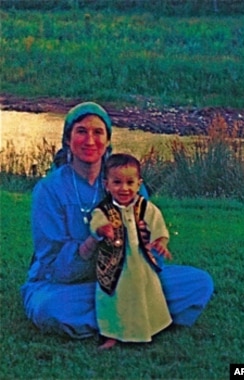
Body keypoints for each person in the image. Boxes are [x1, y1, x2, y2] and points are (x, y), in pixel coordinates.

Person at [21, 101, 214, 340]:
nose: (90, 140)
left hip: (126, 281)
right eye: (81, 131)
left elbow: (151, 249)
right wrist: (90, 246)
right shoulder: (49, 190)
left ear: (108, 140)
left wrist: (149, 248)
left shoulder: (125, 182)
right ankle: (136, 317)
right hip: (67, 287)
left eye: (98, 132)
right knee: (50, 308)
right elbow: (53, 266)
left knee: (199, 283)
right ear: (68, 139)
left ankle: (115, 317)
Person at [90, 153, 173, 350]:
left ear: (138, 184)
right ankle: (111, 334)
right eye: (117, 182)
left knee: (145, 295)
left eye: (130, 182)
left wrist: (160, 242)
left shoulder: (146, 207)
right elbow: (96, 223)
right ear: (106, 184)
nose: (124, 188)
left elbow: (158, 227)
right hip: (113, 268)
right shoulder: (104, 209)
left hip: (141, 264)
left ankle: (148, 329)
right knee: (112, 301)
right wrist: (103, 229)